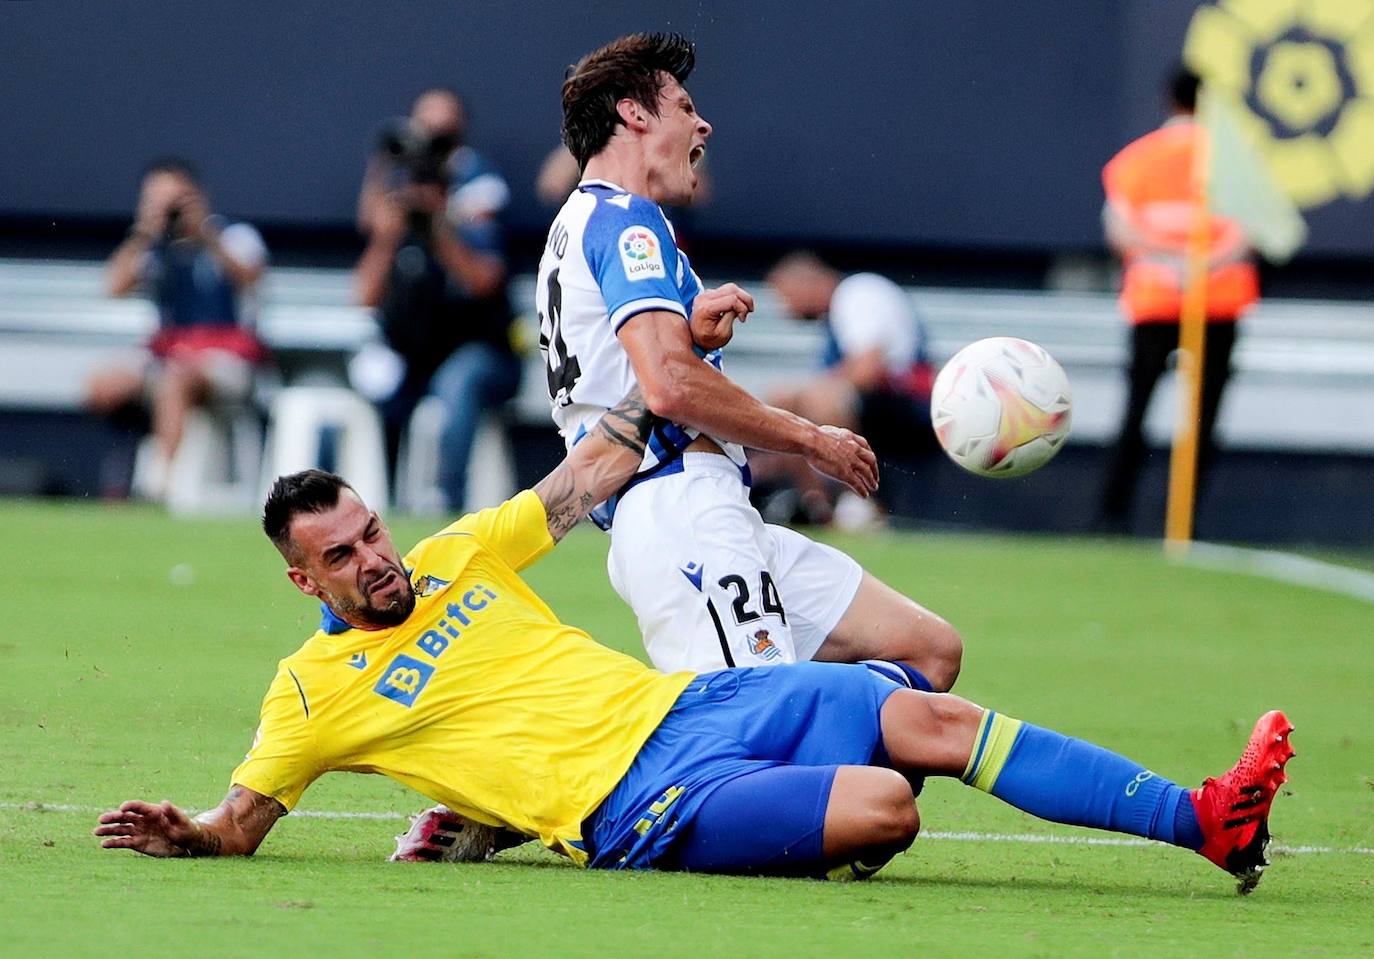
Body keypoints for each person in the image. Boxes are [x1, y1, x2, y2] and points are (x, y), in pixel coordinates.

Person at [92, 384, 1294, 892]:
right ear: (302, 576)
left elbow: (590, 469)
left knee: (927, 710)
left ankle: (1203, 818)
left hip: (691, 708)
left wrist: (679, 362)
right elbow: (242, 822)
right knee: (891, 806)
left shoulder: (461, 549)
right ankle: (525, 822)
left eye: (371, 531)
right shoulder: (311, 692)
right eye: (343, 556)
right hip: (632, 809)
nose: (375, 558)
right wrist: (188, 834)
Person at [532, 32, 961, 689]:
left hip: (706, 504)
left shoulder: (579, 224)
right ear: (634, 115)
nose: (702, 122)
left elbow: (640, 370)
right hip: (678, 505)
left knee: (928, 649)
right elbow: (669, 385)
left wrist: (693, 339)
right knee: (757, 736)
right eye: (682, 106)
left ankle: (845, 772)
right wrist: (811, 438)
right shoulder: (627, 223)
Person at [1097, 68, 1259, 531]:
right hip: (1217, 300)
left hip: (1155, 299)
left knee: (1136, 410)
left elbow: (1119, 230)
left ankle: (1112, 516)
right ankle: (1182, 520)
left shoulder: (1136, 160)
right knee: (1203, 419)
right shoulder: (1235, 160)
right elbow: (1249, 233)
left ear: (1169, 100)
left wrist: (1167, 260)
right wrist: (1201, 264)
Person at [353, 88, 522, 511]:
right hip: (417, 357)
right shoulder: (398, 234)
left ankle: (449, 501)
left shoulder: (472, 225)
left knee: (458, 379)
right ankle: (383, 501)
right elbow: (363, 296)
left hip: (485, 356)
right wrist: (388, 239)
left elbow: (485, 281)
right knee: (379, 379)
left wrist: (439, 230)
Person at [87, 158, 268, 500]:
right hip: (170, 358)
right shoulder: (154, 249)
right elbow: (113, 286)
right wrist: (145, 231)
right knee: (104, 384)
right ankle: (117, 480)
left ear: (198, 196)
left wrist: (205, 233)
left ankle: (159, 483)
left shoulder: (234, 237)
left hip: (229, 363)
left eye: (176, 199)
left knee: (175, 379)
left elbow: (249, 277)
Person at [760, 252, 938, 528]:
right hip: (876, 401)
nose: (786, 309)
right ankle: (816, 505)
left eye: (786, 297)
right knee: (782, 402)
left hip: (907, 400)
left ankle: (859, 500)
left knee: (819, 398)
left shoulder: (857, 293)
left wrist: (810, 393)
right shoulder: (834, 317)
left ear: (807, 284)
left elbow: (867, 370)